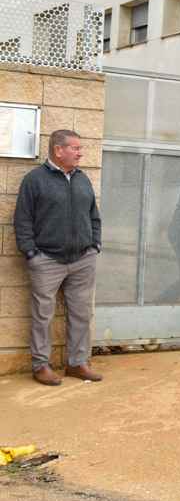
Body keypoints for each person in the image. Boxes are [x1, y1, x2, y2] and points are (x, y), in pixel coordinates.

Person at [13, 129, 103, 386]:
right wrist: (31, 252)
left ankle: (77, 363)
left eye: (79, 148)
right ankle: (41, 365)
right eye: (75, 148)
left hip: (83, 259)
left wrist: (94, 244)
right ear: (58, 150)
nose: (80, 152)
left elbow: (93, 215)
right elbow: (22, 219)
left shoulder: (82, 179)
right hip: (47, 260)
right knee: (43, 315)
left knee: (81, 313)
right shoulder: (34, 180)